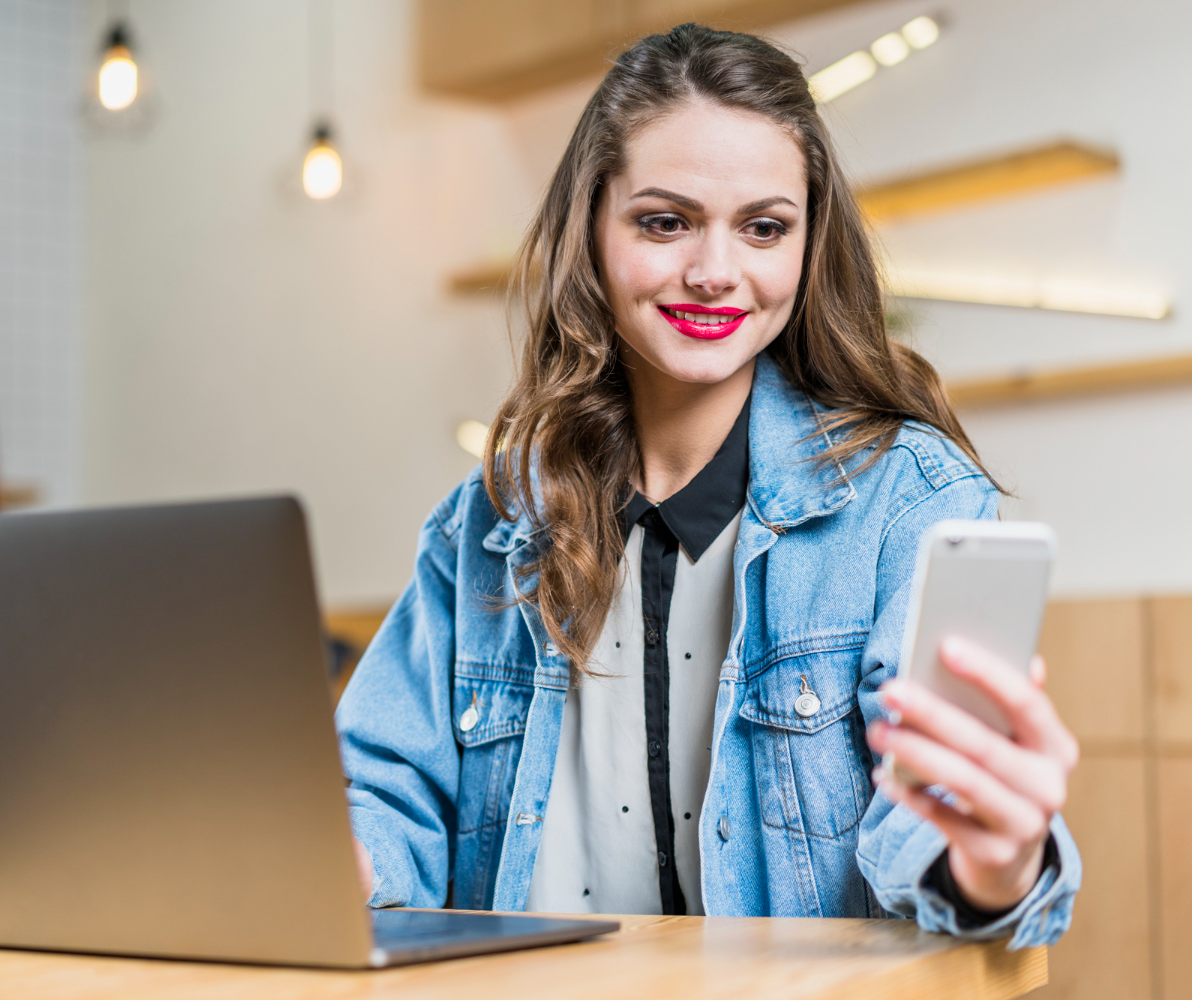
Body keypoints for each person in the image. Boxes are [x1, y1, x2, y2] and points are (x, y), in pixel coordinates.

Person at [335, 23, 1079, 945]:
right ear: (594, 231)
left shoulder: (909, 504)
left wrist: (994, 860)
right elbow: (381, 791)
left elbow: (941, 824)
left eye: (764, 227)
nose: (715, 272)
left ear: (807, 247)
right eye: (665, 220)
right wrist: (342, 856)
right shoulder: (484, 523)